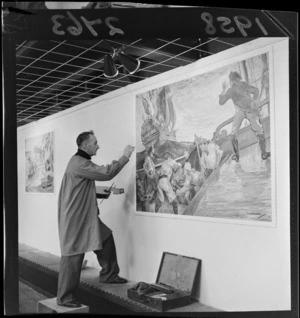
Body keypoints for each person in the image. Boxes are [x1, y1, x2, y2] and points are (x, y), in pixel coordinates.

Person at [56, 130, 134, 308]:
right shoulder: (79, 163)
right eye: (95, 143)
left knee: (105, 238)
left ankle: (109, 274)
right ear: (85, 145)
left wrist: (107, 191)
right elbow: (106, 172)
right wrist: (125, 156)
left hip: (85, 216)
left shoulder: (80, 163)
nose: (98, 146)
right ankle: (65, 298)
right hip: (75, 219)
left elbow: (82, 186)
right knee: (73, 257)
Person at [219, 71, 270, 162]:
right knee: (233, 133)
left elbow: (256, 91)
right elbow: (221, 102)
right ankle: (237, 155)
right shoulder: (231, 90)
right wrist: (223, 90)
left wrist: (253, 102)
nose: (237, 81)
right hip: (240, 111)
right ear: (234, 80)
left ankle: (263, 153)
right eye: (235, 80)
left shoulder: (242, 85)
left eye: (237, 80)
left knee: (258, 129)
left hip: (250, 110)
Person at [142, 146, 159, 211]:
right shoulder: (148, 159)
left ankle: (147, 207)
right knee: (149, 193)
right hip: (151, 179)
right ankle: (146, 209)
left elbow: (145, 167)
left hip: (150, 178)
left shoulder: (148, 158)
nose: (153, 153)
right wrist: (152, 177)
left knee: (149, 192)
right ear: (150, 152)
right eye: (152, 152)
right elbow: (150, 169)